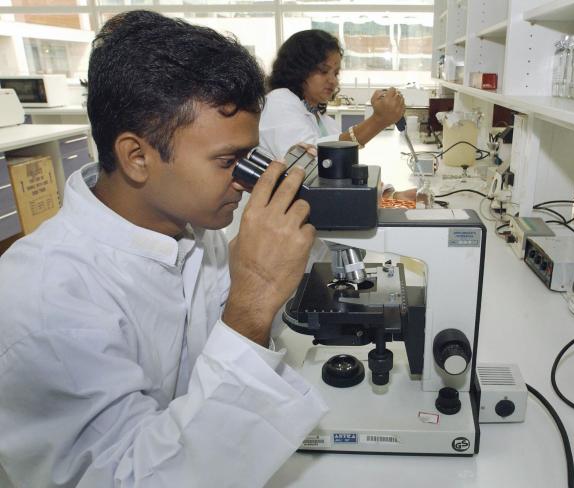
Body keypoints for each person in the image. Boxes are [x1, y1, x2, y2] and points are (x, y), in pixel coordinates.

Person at [0, 10, 326, 488]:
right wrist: (252, 301)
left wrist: (265, 277)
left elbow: (214, 361)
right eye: (229, 160)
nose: (247, 179)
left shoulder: (190, 226)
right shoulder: (44, 301)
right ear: (137, 157)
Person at [259, 29, 415, 201]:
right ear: (298, 69)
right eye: (324, 71)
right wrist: (378, 121)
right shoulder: (278, 102)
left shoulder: (323, 120)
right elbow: (311, 164)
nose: (332, 80)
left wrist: (391, 196)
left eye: (336, 73)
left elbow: (344, 173)